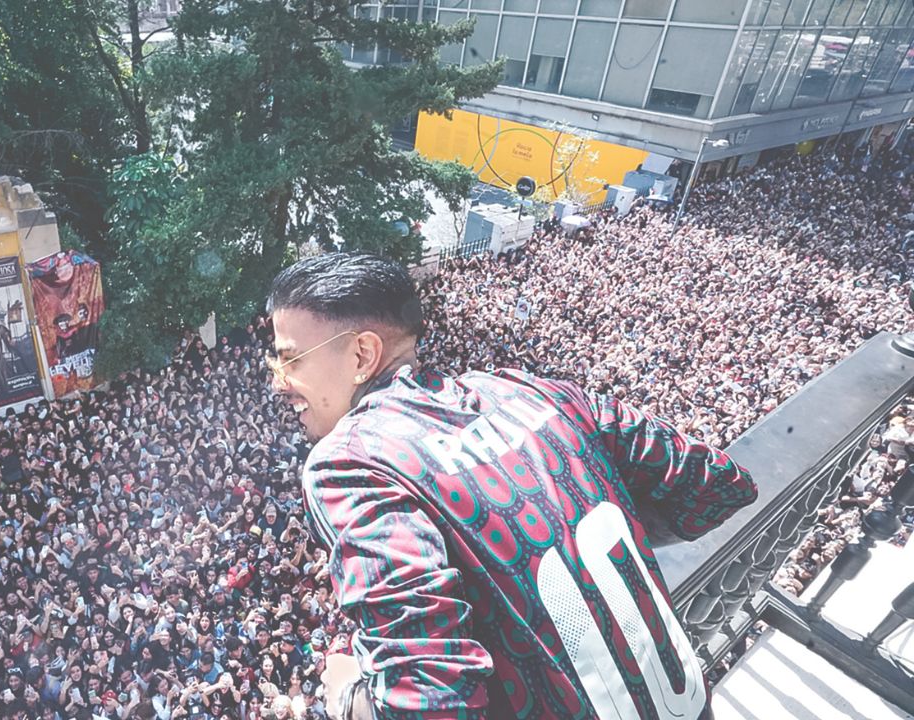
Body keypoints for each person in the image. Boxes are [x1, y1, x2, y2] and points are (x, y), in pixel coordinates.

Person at [265, 253, 758, 719]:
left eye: (291, 360)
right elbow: (716, 484)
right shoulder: (539, 391)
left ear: (362, 354)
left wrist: (349, 694)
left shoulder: (352, 461)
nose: (277, 382)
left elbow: (435, 705)